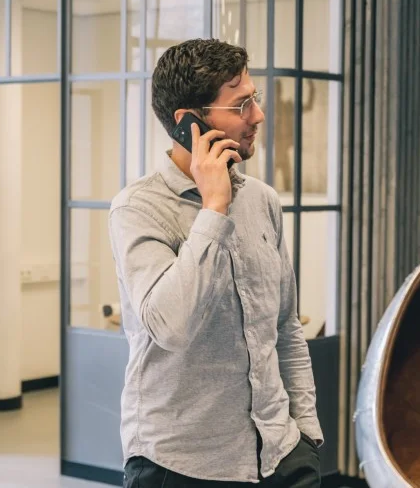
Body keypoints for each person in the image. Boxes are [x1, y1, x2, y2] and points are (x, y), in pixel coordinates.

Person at [108, 38, 324, 487]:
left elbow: (285, 326)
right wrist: (213, 209)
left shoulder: (262, 200)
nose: (257, 116)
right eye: (241, 105)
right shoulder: (138, 208)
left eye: (254, 99)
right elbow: (170, 327)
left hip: (282, 454)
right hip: (183, 463)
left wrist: (306, 430)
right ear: (188, 123)